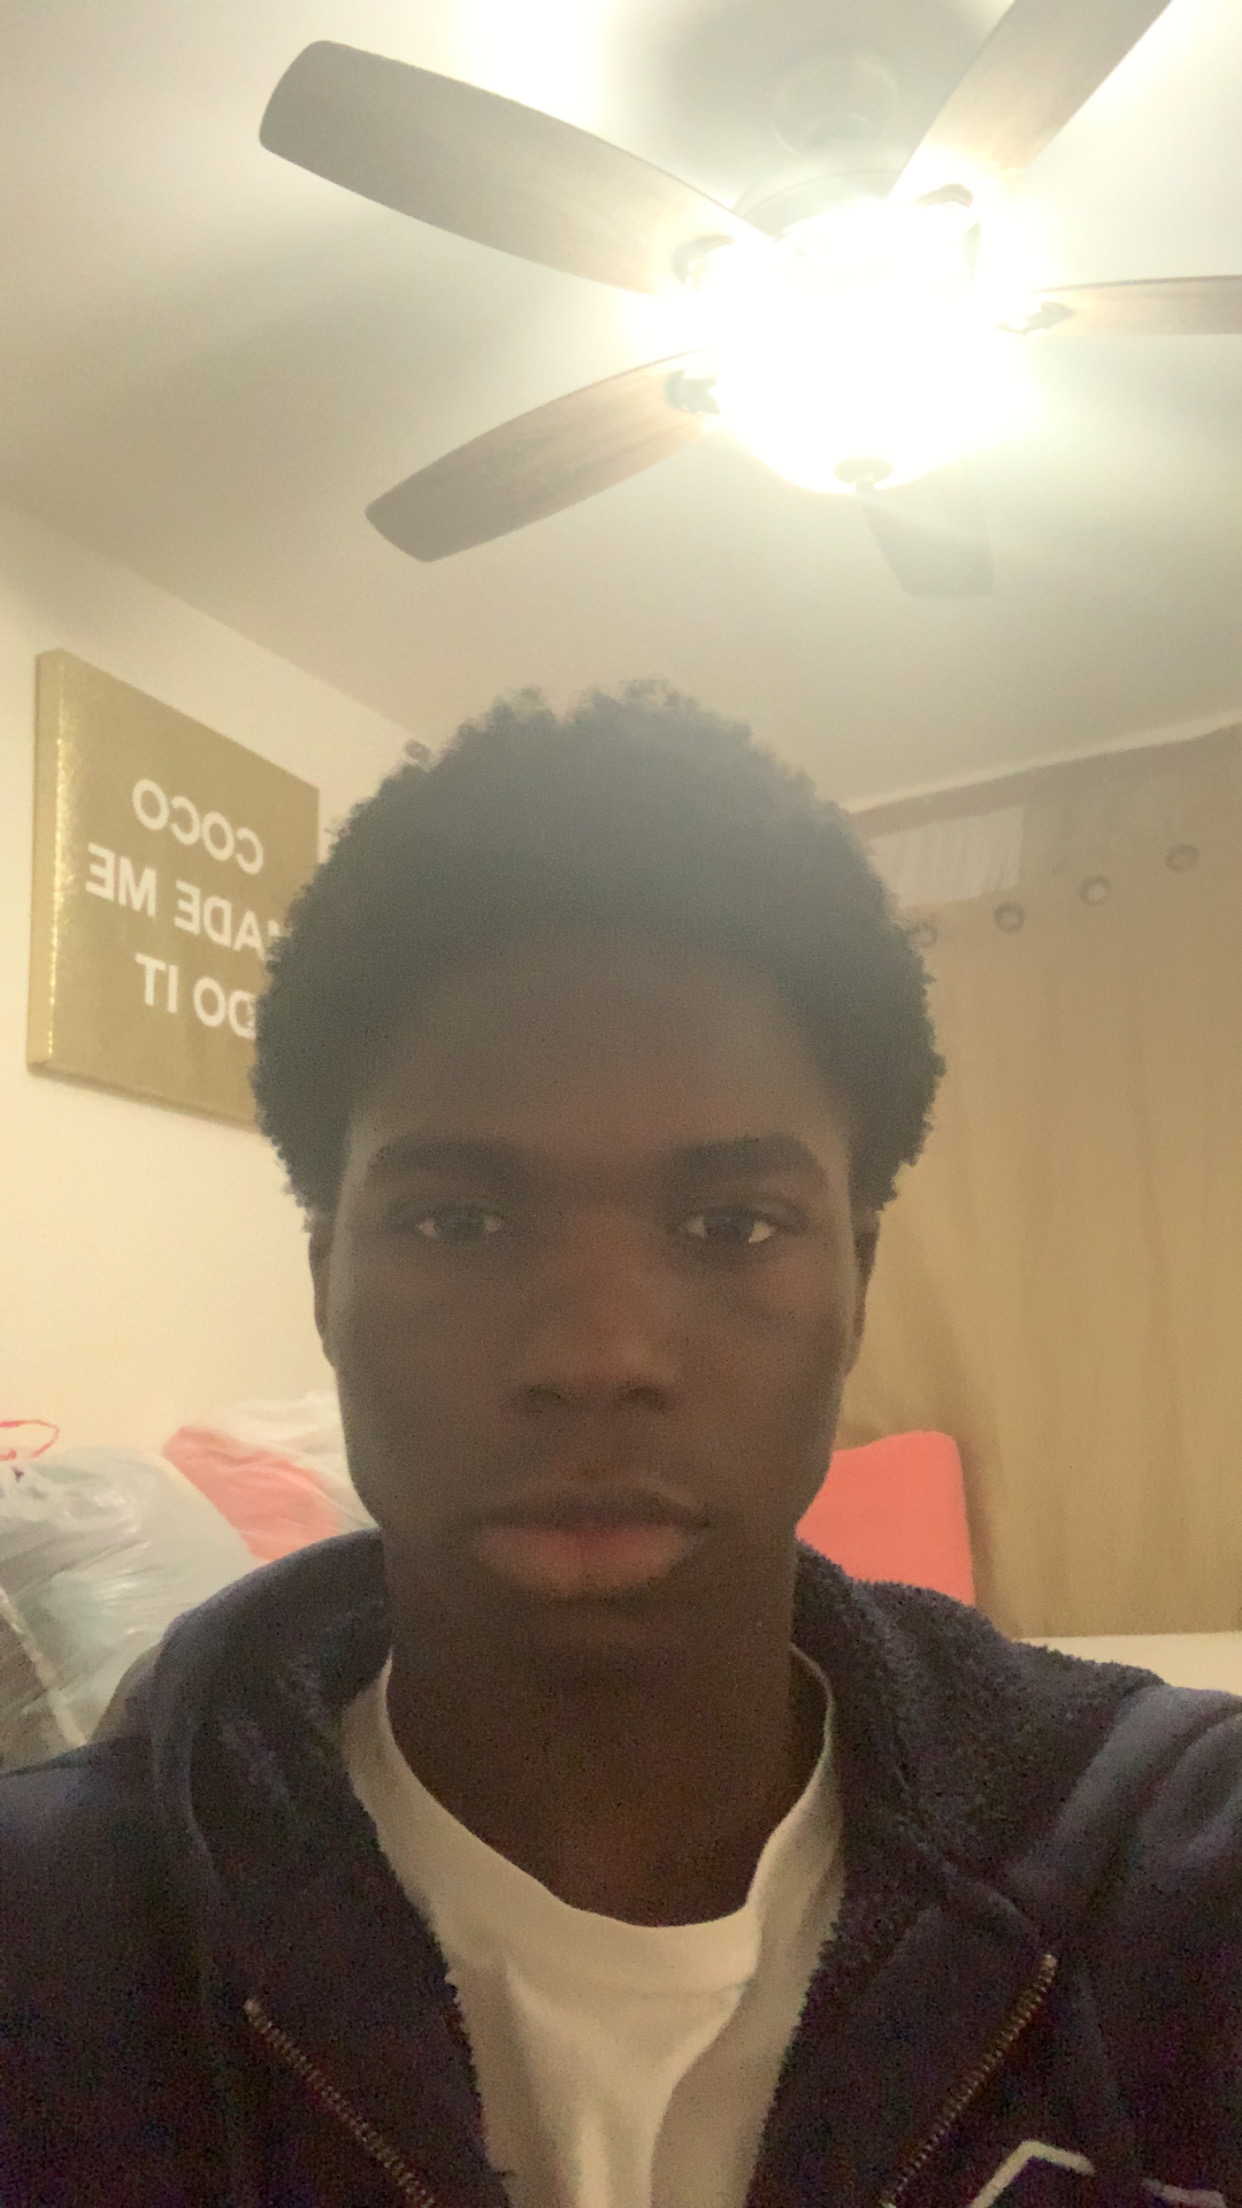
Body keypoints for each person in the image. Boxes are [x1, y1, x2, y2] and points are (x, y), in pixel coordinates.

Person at [1, 685, 1239, 2208]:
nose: (597, 1356)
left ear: (854, 1282)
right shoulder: (52, 1941)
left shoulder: (1175, 1886)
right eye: (460, 1221)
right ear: (325, 1282)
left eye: (733, 1226)